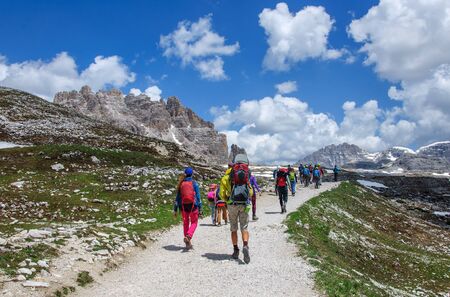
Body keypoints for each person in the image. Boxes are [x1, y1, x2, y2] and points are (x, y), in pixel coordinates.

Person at [220, 154, 253, 264]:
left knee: (233, 228)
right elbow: (251, 192)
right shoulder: (247, 174)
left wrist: (226, 200)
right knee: (244, 227)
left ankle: (236, 250)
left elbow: (221, 194)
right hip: (244, 204)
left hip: (231, 204)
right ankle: (245, 245)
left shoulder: (226, 177)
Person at [173, 167, 202, 249]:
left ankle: (187, 243)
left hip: (183, 206)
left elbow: (177, 198)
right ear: (192, 174)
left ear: (185, 174)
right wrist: (200, 208)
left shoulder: (181, 184)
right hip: (193, 205)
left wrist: (175, 209)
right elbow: (198, 197)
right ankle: (189, 236)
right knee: (194, 222)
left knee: (186, 223)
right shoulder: (194, 183)